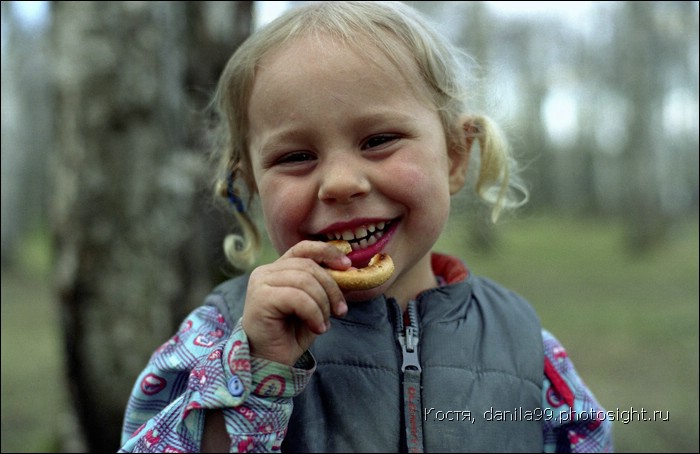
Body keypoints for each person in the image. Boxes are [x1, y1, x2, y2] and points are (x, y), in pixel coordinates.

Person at [119, 1, 613, 452]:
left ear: (455, 157)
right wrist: (257, 371)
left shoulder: (524, 345)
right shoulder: (220, 334)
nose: (340, 183)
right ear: (250, 184)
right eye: (295, 156)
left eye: (378, 140)